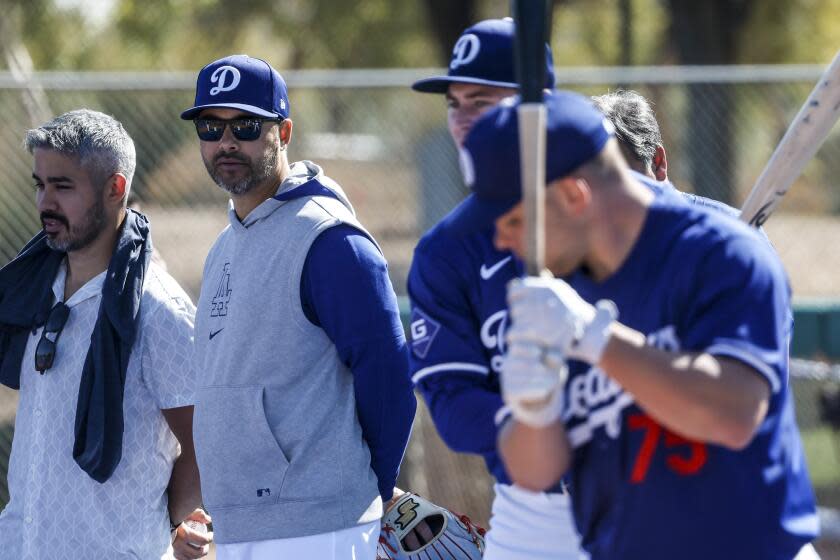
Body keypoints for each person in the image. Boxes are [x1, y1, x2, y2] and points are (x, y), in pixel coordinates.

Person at [458, 90, 820, 559]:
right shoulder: (557, 287)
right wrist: (532, 408)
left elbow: (736, 415)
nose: (502, 242)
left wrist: (596, 337)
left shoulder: (722, 253)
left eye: (514, 220)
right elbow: (536, 473)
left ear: (573, 195)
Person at [181, 54, 416, 559]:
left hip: (317, 527)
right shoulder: (226, 242)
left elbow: (390, 376)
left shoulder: (329, 239)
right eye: (210, 126)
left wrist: (363, 491)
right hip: (245, 524)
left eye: (245, 126)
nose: (226, 142)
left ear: (283, 132)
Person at [407, 18, 585, 559]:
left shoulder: (609, 214)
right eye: (454, 103)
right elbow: (455, 409)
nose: (462, 120)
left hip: (648, 492)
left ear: (539, 106)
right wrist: (538, 421)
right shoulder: (446, 251)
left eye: (480, 102)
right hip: (536, 510)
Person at [0, 109, 208, 559]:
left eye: (63, 186)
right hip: (22, 545)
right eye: (40, 184)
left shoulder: (157, 310)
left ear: (115, 189)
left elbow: (204, 440)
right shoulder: (33, 287)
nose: (44, 203)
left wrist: (168, 525)